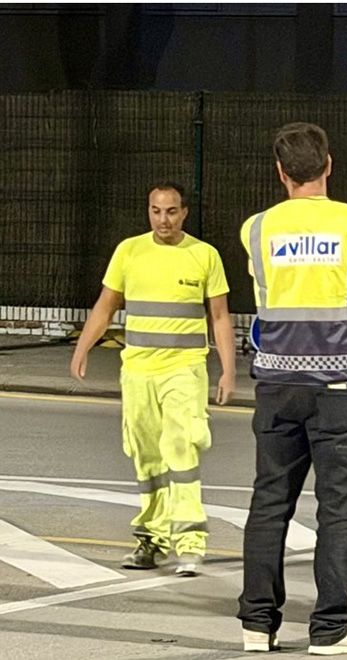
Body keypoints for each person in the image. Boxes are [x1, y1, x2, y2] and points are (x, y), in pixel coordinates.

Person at [236, 122, 347, 655]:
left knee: (269, 504)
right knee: (339, 510)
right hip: (342, 386)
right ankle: (330, 629)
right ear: (329, 165)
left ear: (280, 172)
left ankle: (257, 624)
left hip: (277, 382)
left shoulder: (255, 228)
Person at [71, 182, 236, 578]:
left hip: (184, 369)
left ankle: (191, 542)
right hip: (139, 371)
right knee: (147, 458)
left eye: (172, 211)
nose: (164, 219)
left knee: (182, 450)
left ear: (184, 213)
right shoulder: (129, 251)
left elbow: (219, 317)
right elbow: (106, 305)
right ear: (148, 211)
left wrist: (228, 369)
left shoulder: (203, 255)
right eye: (156, 211)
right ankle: (152, 538)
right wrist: (82, 348)